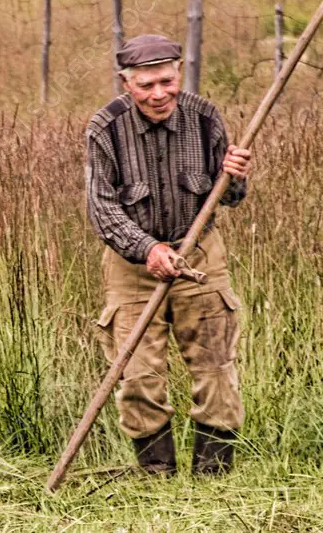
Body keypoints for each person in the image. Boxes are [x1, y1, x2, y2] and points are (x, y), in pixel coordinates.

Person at [85, 34, 252, 476]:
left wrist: (234, 176)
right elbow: (102, 209)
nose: (158, 94)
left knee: (215, 365)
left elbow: (231, 198)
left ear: (179, 72)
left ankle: (213, 475)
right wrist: (149, 249)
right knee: (137, 373)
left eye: (166, 80)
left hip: (200, 255)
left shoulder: (205, 118)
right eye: (146, 86)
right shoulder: (105, 128)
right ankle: (156, 475)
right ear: (126, 84)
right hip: (132, 265)